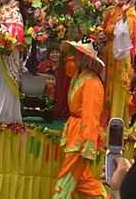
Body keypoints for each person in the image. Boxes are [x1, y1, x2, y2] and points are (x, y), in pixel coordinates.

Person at [53, 38, 106, 199]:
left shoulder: (92, 83)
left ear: (86, 58)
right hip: (75, 133)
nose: (74, 56)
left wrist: (88, 144)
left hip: (81, 138)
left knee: (66, 179)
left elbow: (91, 117)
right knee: (83, 182)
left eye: (78, 53)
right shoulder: (80, 77)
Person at [97, 0, 136, 124]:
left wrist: (121, 18)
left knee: (118, 92)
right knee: (105, 89)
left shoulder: (130, 12)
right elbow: (104, 30)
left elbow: (125, 33)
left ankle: (116, 128)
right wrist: (102, 36)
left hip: (121, 60)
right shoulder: (110, 11)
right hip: (107, 57)